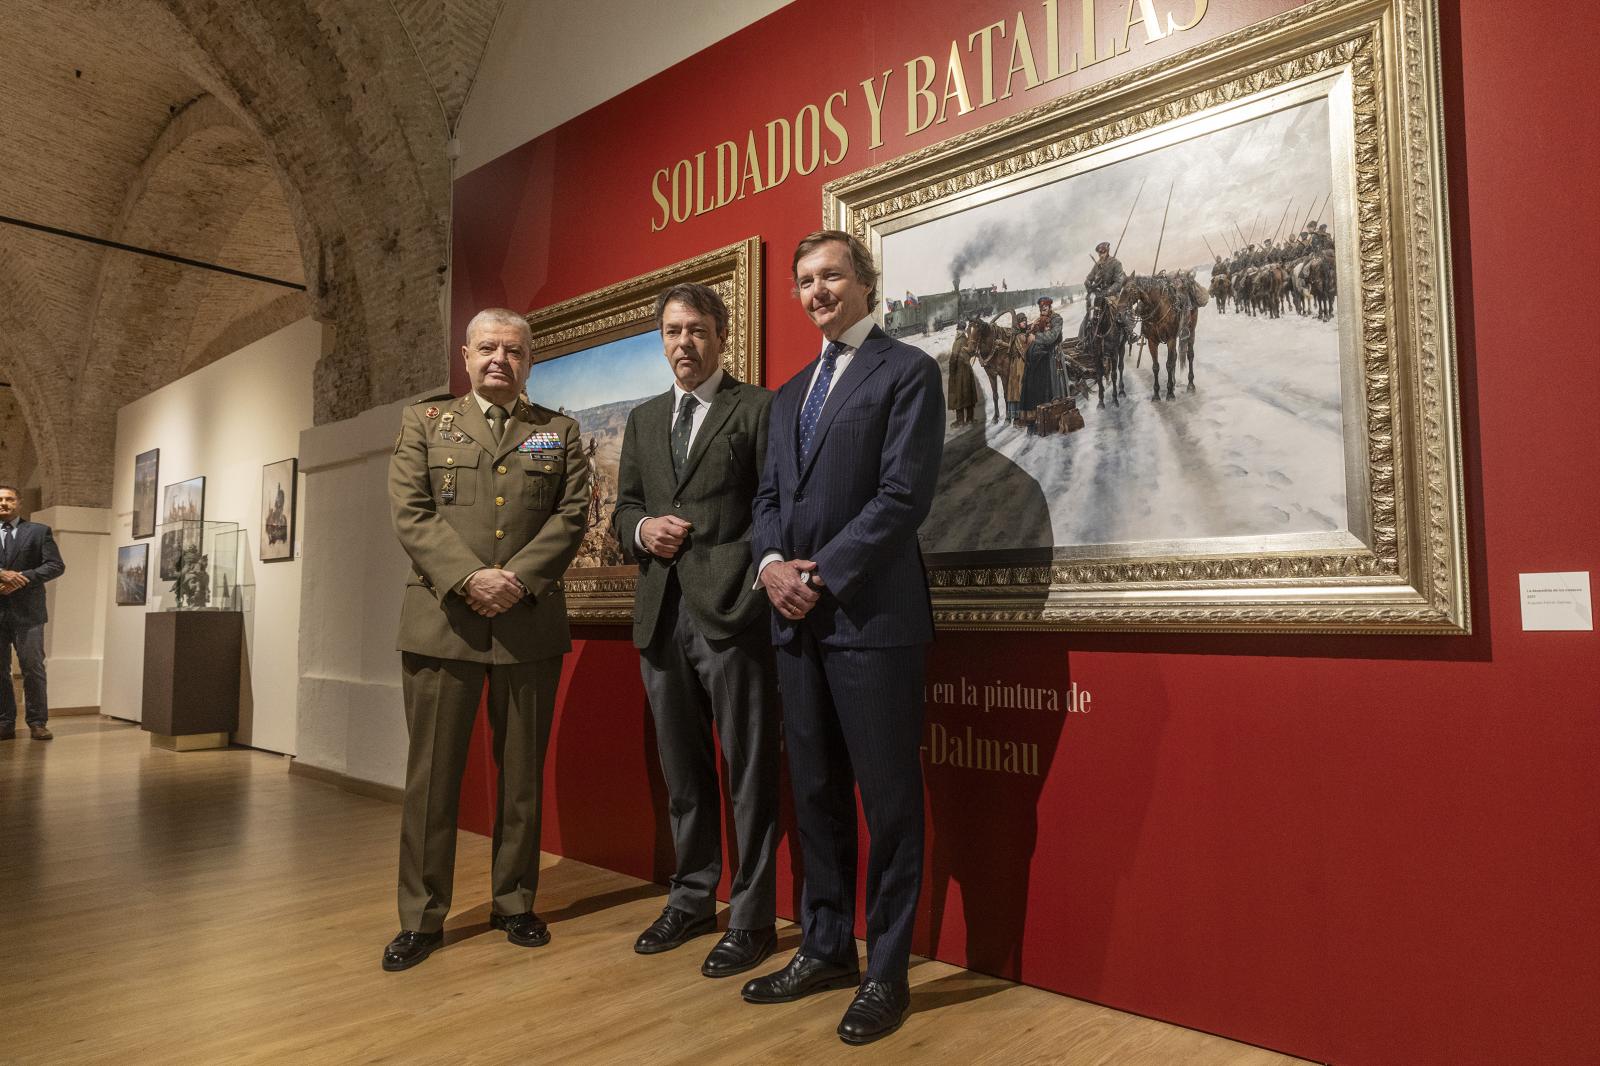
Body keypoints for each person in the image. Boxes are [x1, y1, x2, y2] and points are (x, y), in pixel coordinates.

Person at [743, 229, 944, 1045]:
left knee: (889, 804)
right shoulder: (789, 395)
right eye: (804, 281)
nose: (816, 291)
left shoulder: (909, 372)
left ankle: (885, 972)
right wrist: (767, 567)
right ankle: (825, 944)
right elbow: (765, 500)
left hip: (871, 623)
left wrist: (817, 573)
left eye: (831, 276)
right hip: (794, 629)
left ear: (866, 282)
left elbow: (902, 496)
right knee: (817, 796)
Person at [381, 307, 591, 972]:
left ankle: (515, 902)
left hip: (527, 624)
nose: (500, 359)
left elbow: (572, 515)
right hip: (444, 624)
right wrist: (472, 578)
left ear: (530, 361)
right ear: (465, 356)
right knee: (432, 782)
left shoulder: (557, 433)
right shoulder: (425, 422)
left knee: (522, 778)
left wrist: (515, 581)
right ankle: (420, 917)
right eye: (488, 349)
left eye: (514, 350)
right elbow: (411, 512)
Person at [610, 283, 781, 979]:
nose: (685, 343)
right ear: (663, 340)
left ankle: (751, 919)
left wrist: (753, 572)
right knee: (684, 773)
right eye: (674, 332)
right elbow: (623, 509)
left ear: (722, 334)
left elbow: (774, 505)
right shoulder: (645, 419)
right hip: (660, 618)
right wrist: (643, 529)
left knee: (748, 772)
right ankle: (691, 897)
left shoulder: (758, 408)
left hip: (733, 617)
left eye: (698, 331)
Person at [0, 486, 65, 742]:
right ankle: (5, 722)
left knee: (33, 668)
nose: (4, 503)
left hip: (29, 613)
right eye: (0, 500)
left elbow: (55, 565)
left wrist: (23, 577)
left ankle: (38, 722)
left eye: (9, 499)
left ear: (19, 502)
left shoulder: (39, 532)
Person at [1019, 296, 1061, 431]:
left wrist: (1035, 337)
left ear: (1050, 307)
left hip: (1049, 355)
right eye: (1041, 308)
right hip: (1036, 358)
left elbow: (1052, 337)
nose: (1042, 309)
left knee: (1037, 379)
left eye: (1045, 307)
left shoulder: (1057, 319)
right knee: (1028, 380)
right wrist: (1029, 330)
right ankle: (1031, 417)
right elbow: (1029, 332)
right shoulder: (1039, 320)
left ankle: (1043, 415)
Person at [945, 320, 979, 426]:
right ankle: (970, 419)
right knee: (968, 394)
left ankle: (960, 421)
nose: (957, 331)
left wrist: (951, 371)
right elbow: (972, 352)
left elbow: (954, 357)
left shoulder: (958, 341)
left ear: (959, 330)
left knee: (958, 394)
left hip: (959, 372)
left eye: (958, 329)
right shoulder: (967, 340)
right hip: (967, 370)